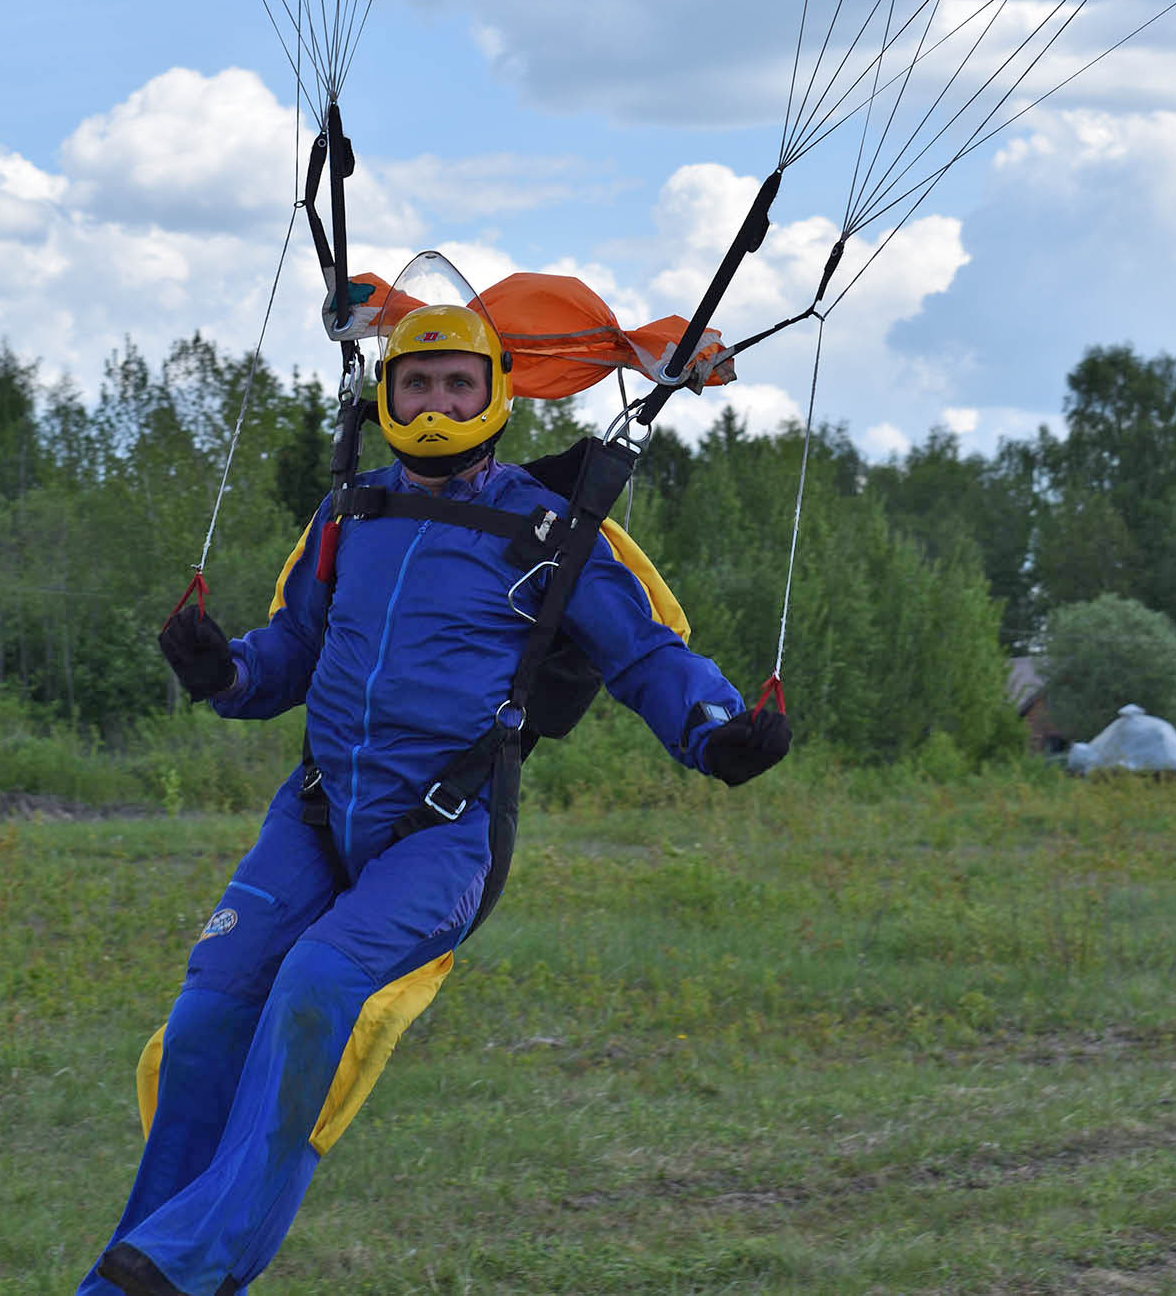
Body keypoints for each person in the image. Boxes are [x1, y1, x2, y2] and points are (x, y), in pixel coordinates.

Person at [78, 303, 789, 1296]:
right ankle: (135, 1266)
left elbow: (645, 655)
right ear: (386, 394)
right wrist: (221, 672)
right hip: (316, 815)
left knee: (315, 986)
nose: (435, 402)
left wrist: (714, 732)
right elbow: (287, 655)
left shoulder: (546, 534)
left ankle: (178, 1266)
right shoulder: (348, 514)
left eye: (457, 382)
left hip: (441, 834)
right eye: (416, 383)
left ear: (493, 392)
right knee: (203, 1022)